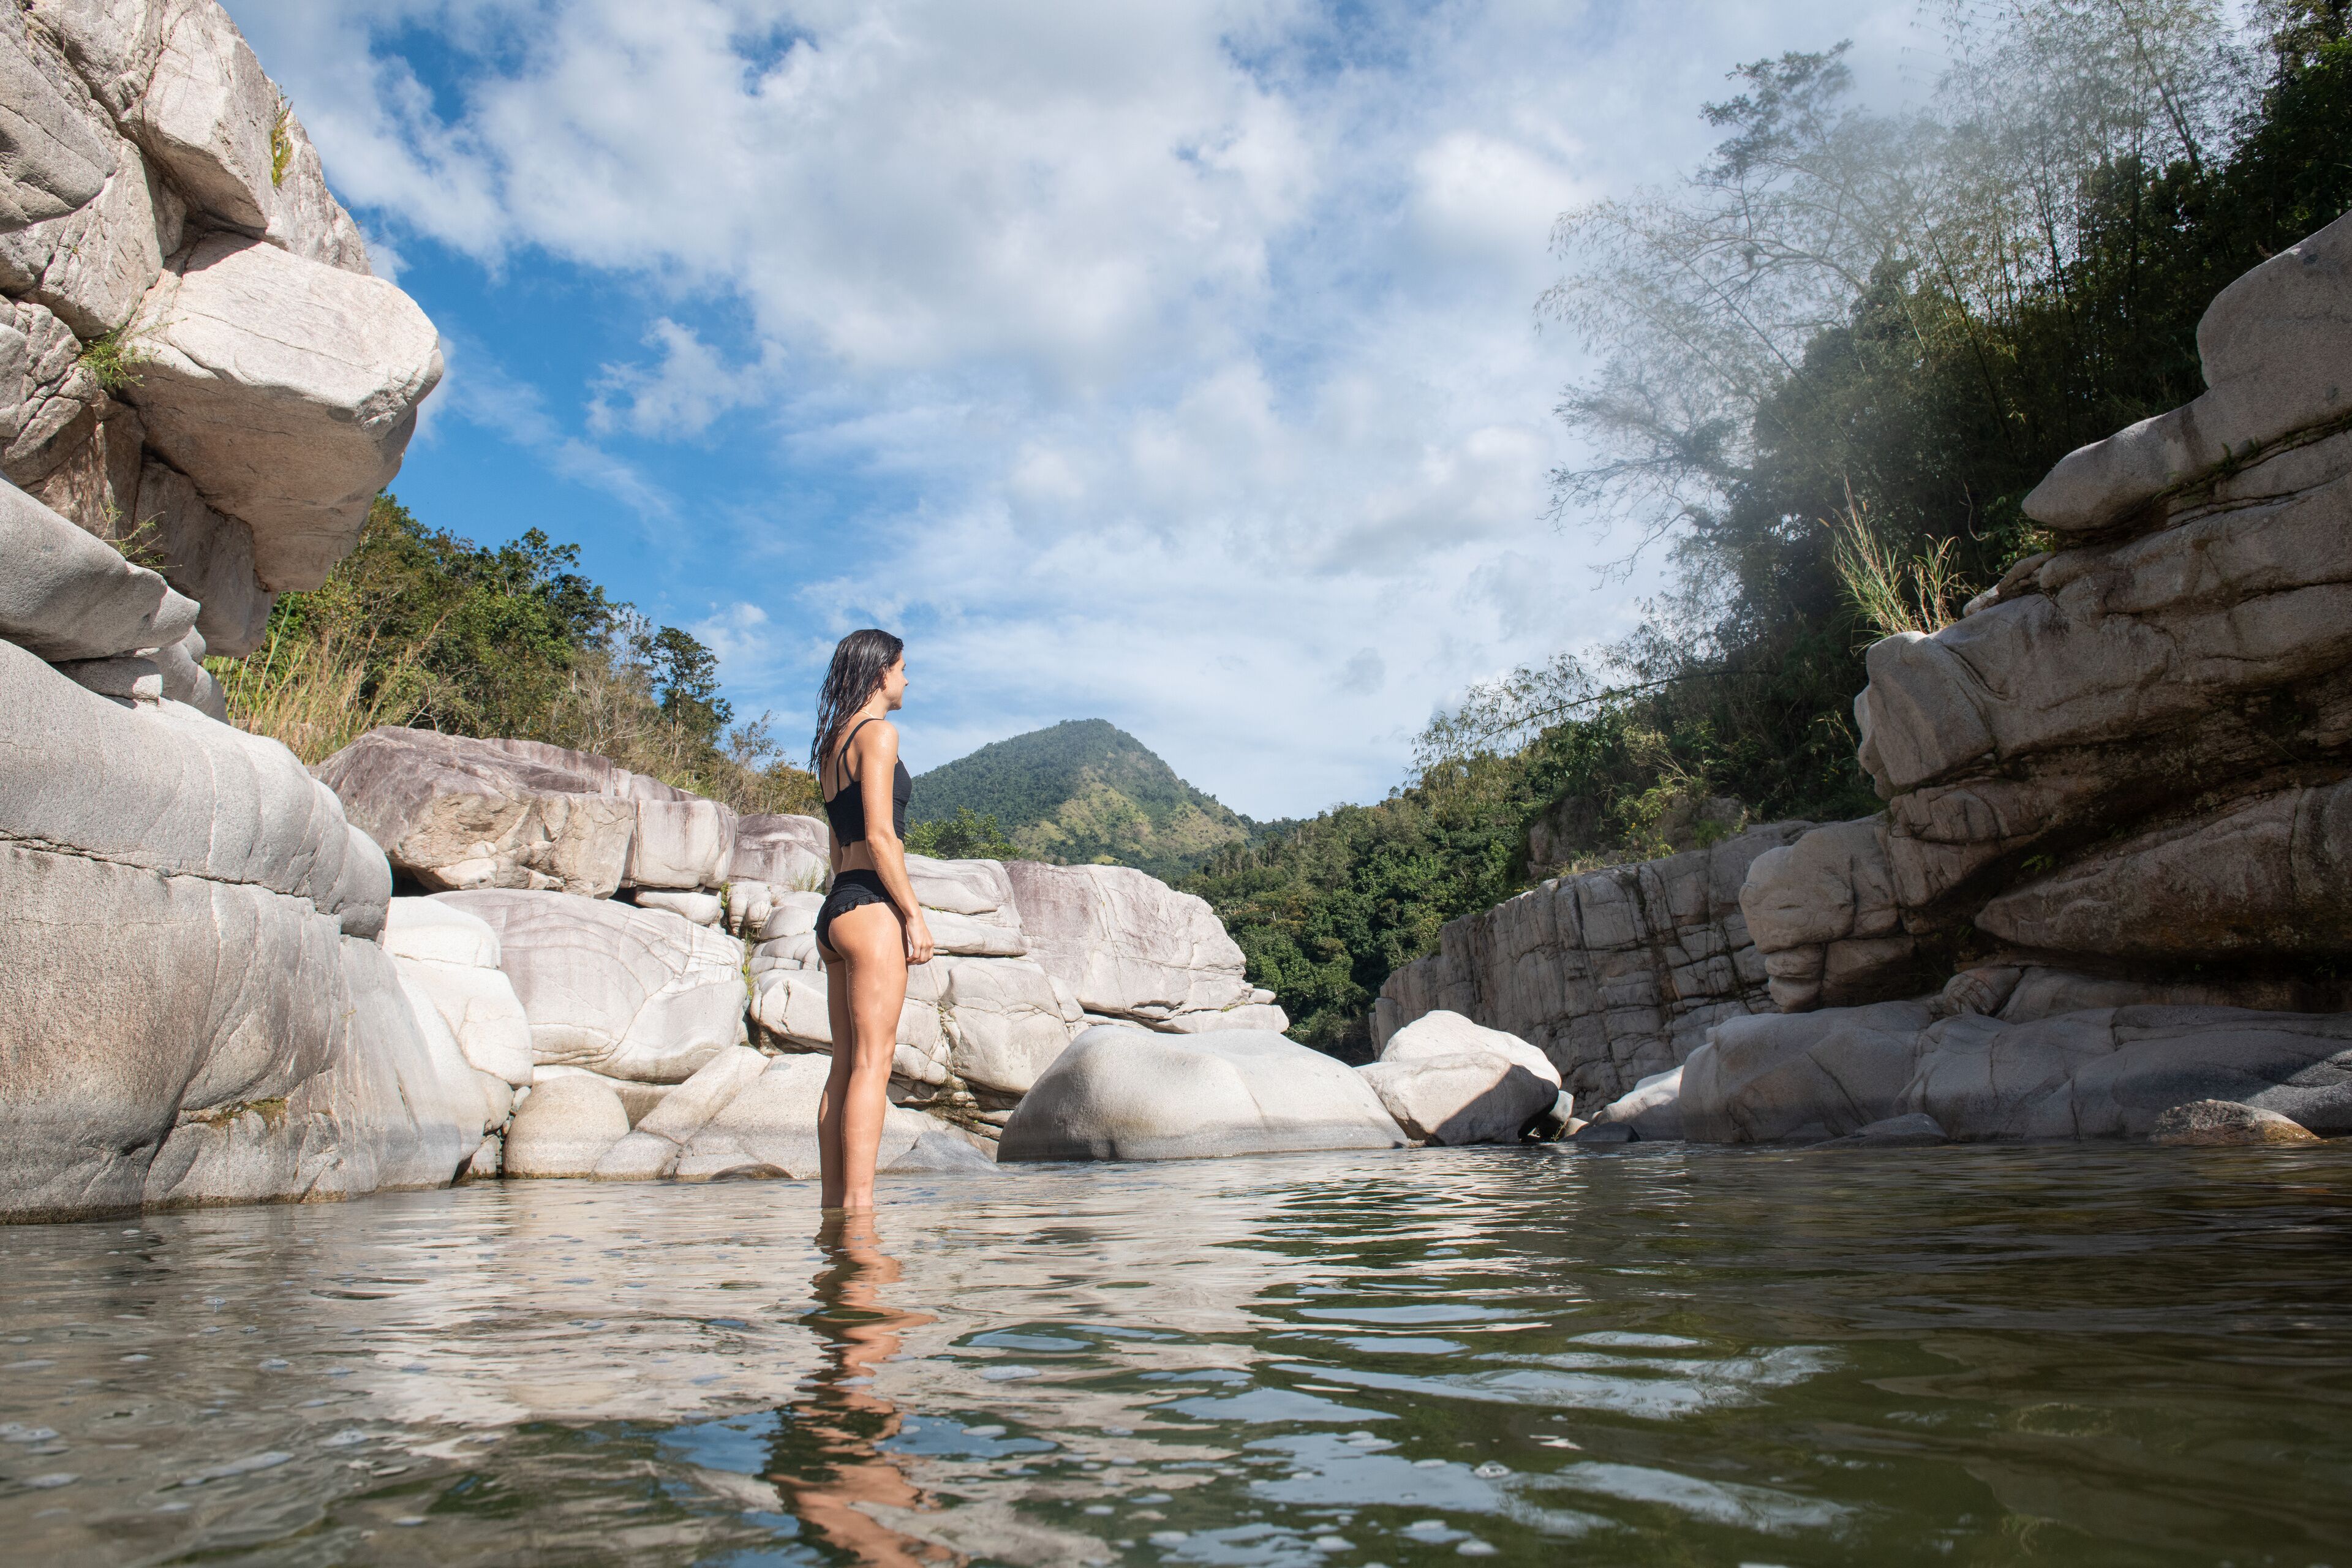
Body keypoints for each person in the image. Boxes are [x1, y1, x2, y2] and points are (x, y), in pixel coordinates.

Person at [810, 628, 933, 1212]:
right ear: (881, 672)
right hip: (870, 907)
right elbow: (882, 838)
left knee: (843, 1066)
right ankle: (861, 1217)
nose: (908, 679)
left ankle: (836, 1212)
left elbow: (840, 850)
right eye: (904, 668)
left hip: (835, 909)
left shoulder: (832, 744)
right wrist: (912, 914)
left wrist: (842, 908)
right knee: (871, 1065)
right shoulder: (880, 735)